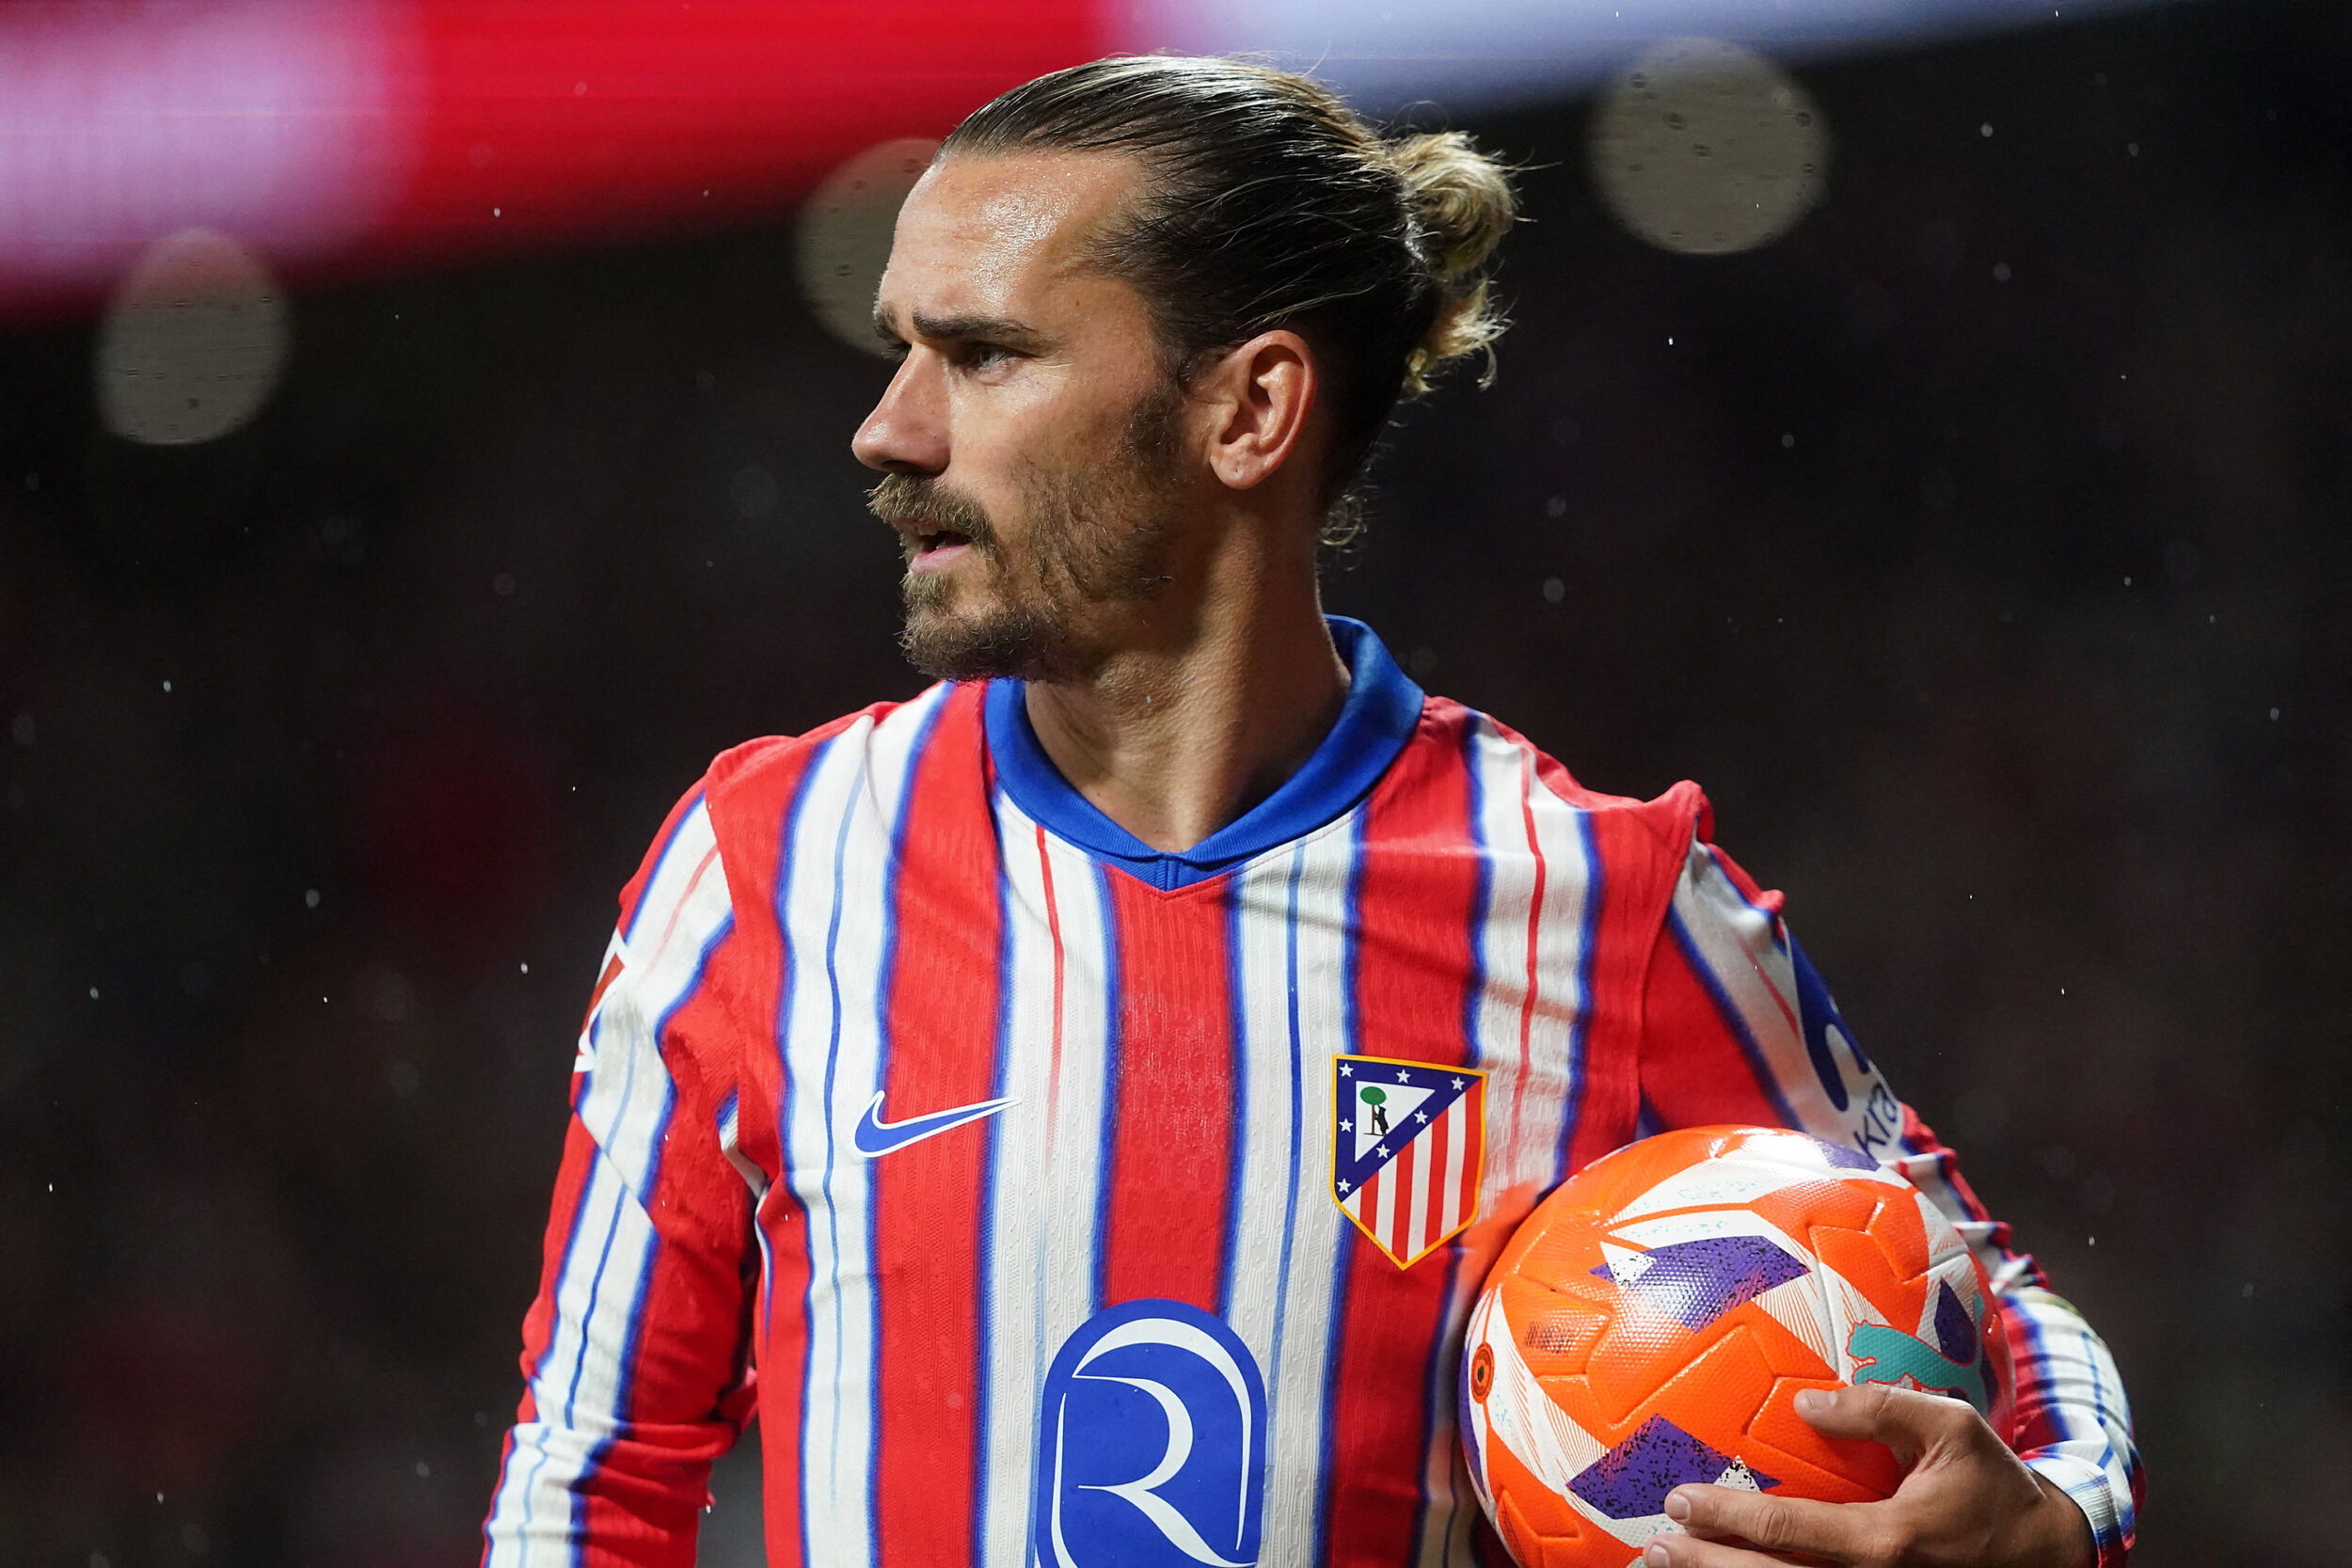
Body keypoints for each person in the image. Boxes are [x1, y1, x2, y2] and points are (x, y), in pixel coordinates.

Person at [481, 55, 2139, 1568]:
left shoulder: (1597, 898)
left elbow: (1997, 1312)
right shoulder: (764, 868)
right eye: (900, 348)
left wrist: (2056, 1519)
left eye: (982, 354)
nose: (888, 428)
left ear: (1249, 411)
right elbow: (590, 1481)